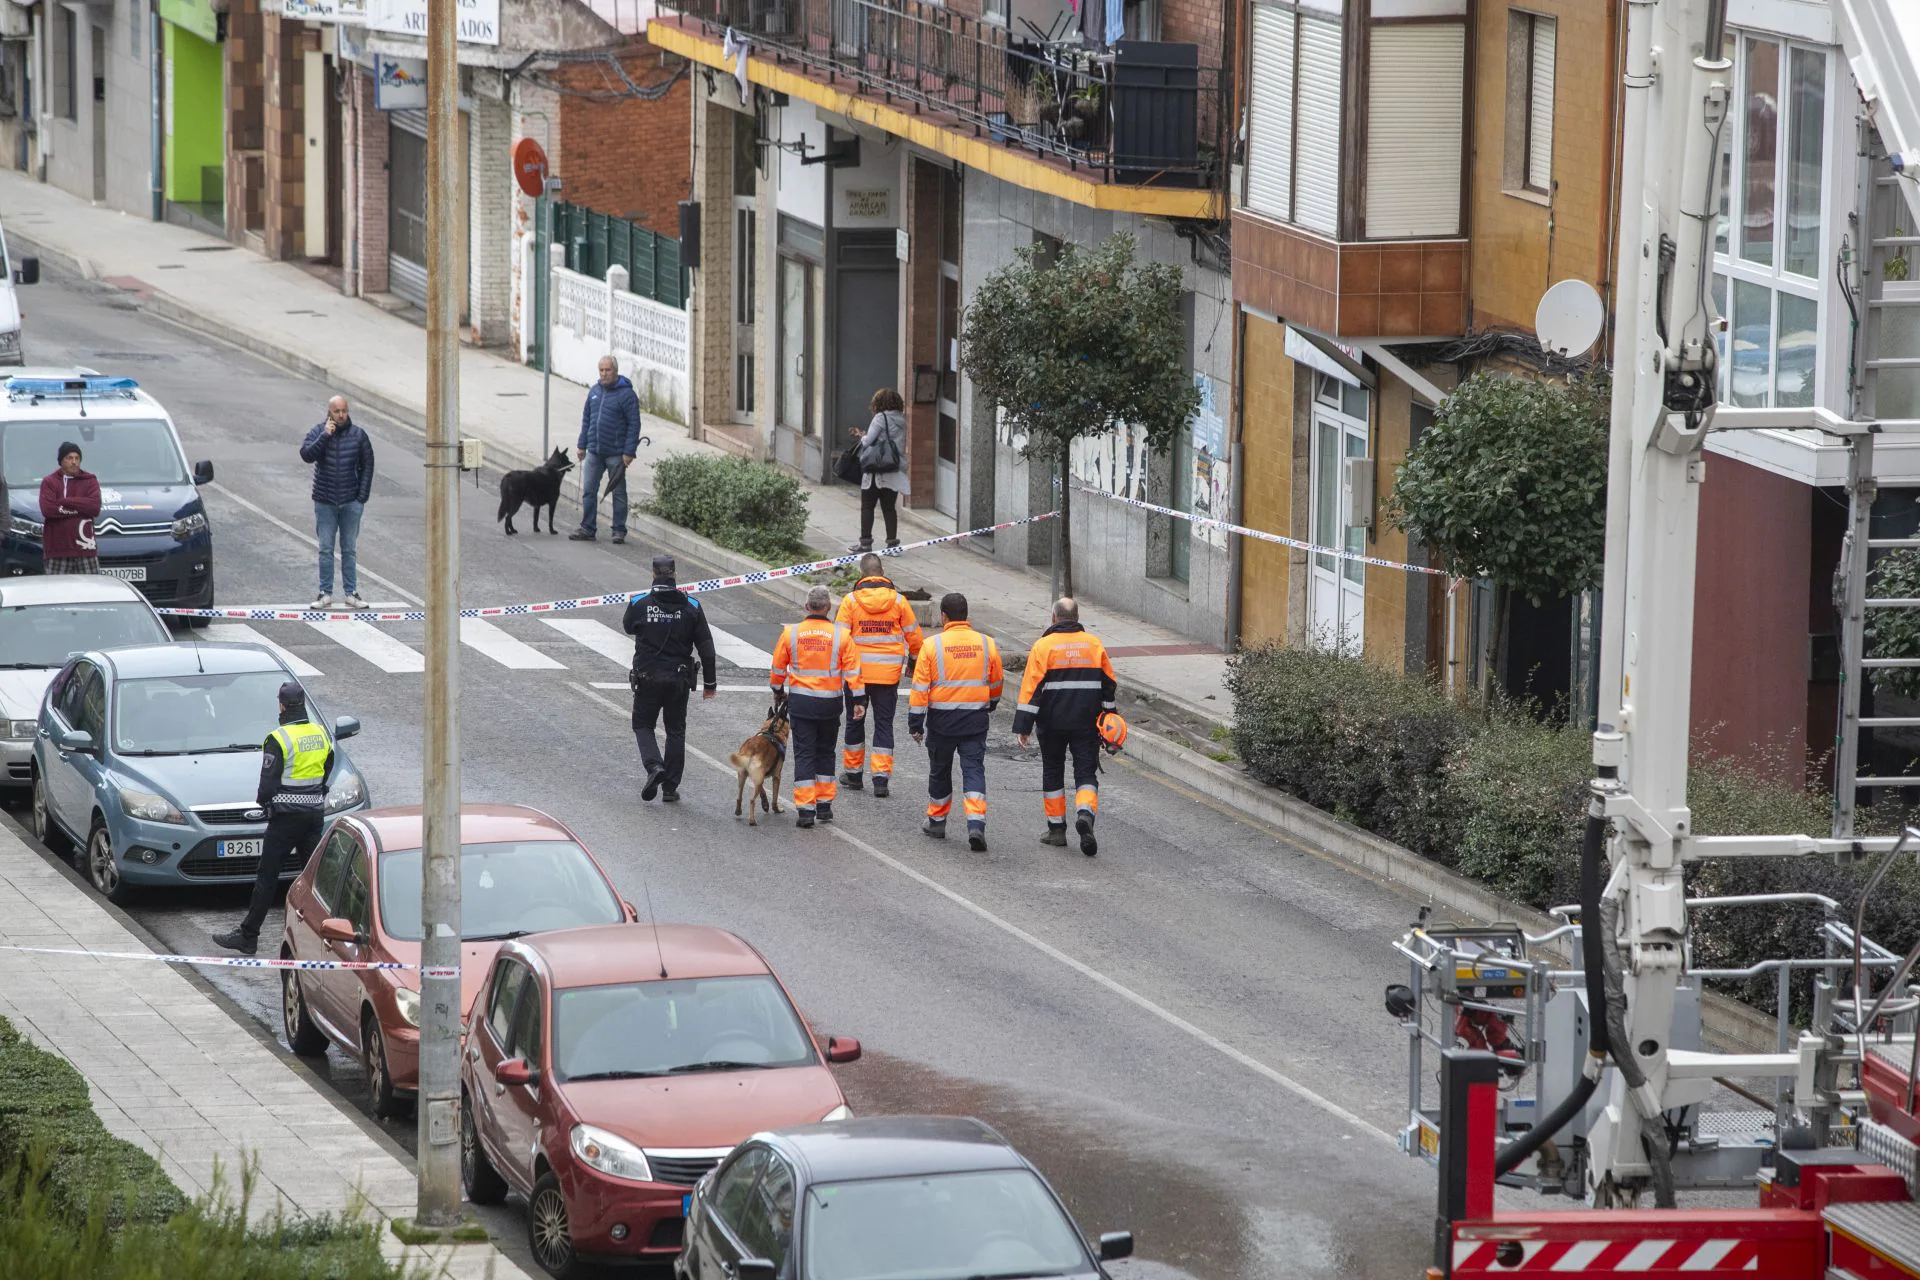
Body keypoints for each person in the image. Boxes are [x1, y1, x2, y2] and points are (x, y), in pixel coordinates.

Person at [212, 682, 334, 956]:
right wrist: (316, 793)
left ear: (280, 705)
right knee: (315, 880)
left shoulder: (278, 739)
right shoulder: (320, 733)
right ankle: (330, 937)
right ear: (302, 703)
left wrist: (264, 803)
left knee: (267, 878)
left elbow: (267, 784)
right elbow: (328, 765)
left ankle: (248, 936)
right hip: (313, 815)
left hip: (285, 820)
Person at [1013, 597, 1117, 857]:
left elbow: (1031, 691)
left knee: (1053, 771)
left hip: (1052, 723)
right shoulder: (1094, 645)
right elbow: (1108, 686)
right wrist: (1110, 718)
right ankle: (1085, 814)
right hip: (1087, 723)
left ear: (1053, 618)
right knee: (1085, 772)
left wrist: (1023, 726)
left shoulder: (1043, 647)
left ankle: (1057, 830)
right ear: (1077, 618)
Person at [908, 592, 1003, 852]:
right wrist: (991, 703)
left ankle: (937, 822)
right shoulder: (987, 644)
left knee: (940, 770)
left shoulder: (932, 646)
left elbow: (919, 690)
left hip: (942, 722)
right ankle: (976, 824)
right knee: (974, 770)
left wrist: (915, 724)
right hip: (975, 720)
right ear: (966, 615)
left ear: (944, 616)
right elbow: (995, 683)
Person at [623, 555, 718, 803]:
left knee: (643, 725)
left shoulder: (639, 603)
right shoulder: (692, 606)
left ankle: (654, 766)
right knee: (675, 730)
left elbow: (628, 627)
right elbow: (706, 647)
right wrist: (710, 684)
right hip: (679, 680)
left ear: (653, 575)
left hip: (647, 678)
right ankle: (669, 787)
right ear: (675, 575)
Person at [770, 586, 864, 829]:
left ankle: (805, 810)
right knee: (825, 752)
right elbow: (854, 672)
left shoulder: (791, 634)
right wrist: (859, 702)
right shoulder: (841, 636)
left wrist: (778, 692)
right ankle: (824, 805)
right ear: (829, 608)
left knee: (804, 753)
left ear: (806, 607)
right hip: (830, 705)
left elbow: (778, 670)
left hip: (801, 704)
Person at [836, 553, 924, 799]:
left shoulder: (850, 601)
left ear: (862, 575)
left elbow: (840, 639)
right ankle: (881, 780)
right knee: (884, 724)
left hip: (858, 677)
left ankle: (853, 775)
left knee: (855, 722)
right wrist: (913, 661)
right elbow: (915, 637)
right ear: (882, 573)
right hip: (888, 675)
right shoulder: (898, 601)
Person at [299, 395, 375, 610]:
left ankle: (351, 593)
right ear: (329, 413)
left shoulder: (358, 435)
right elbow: (306, 455)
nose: (341, 415)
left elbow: (367, 465)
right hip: (325, 501)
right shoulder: (318, 432)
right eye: (337, 411)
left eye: (344, 410)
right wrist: (325, 436)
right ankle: (325, 593)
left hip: (351, 502)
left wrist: (361, 498)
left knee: (349, 549)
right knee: (325, 549)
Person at [571, 354, 642, 545]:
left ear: (615, 371)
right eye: (601, 370)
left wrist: (629, 452)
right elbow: (587, 419)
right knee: (588, 491)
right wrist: (582, 444)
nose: (604, 373)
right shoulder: (594, 391)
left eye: (608, 370)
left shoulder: (627, 395)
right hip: (594, 451)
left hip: (616, 454)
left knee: (618, 493)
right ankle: (587, 528)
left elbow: (634, 424)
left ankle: (619, 530)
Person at [847, 388, 908, 552]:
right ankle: (892, 544)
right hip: (893, 467)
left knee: (867, 506)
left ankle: (865, 543)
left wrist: (862, 436)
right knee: (889, 508)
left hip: (876, 469)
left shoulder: (880, 418)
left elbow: (868, 442)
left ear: (878, 403)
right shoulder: (902, 420)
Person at [38, 442, 101, 574]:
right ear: (61, 461)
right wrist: (81, 507)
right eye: (69, 458)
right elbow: (48, 509)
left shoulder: (90, 480)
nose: (74, 462)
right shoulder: (49, 482)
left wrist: (64, 501)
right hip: (57, 550)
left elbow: (94, 507)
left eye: (77, 458)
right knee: (57, 591)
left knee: (92, 591)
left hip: (86, 549)